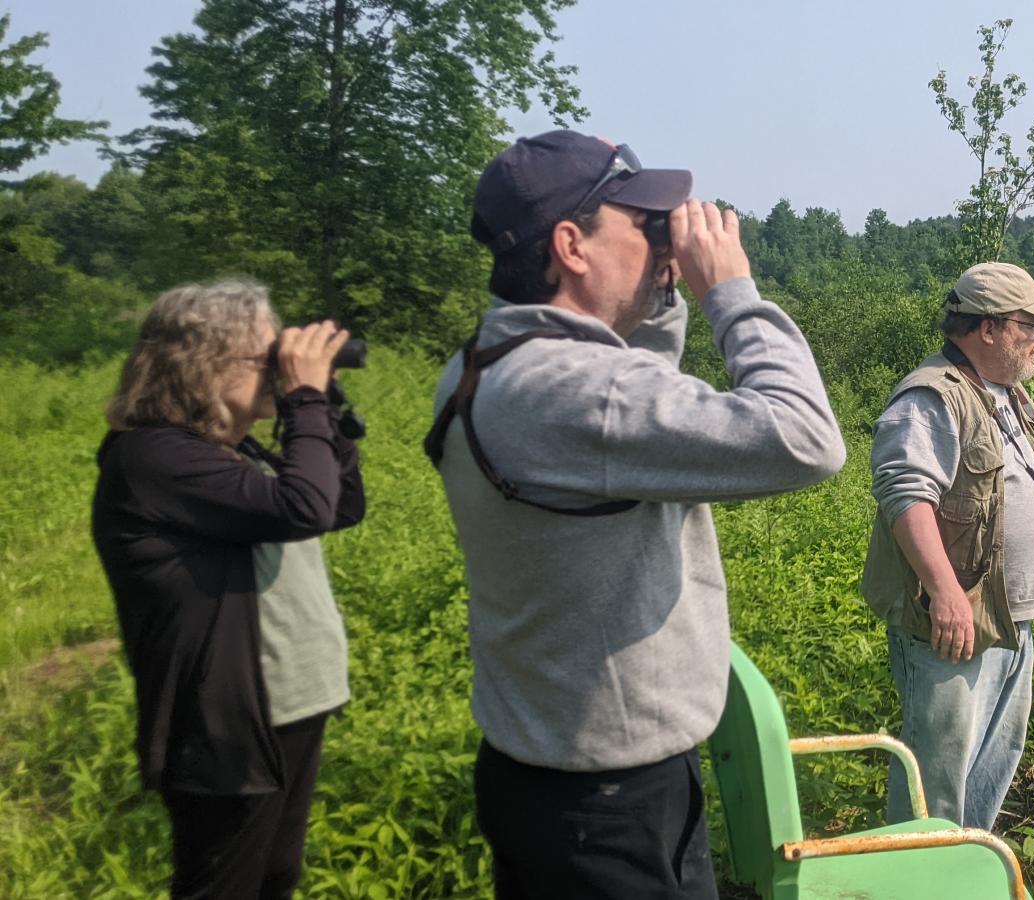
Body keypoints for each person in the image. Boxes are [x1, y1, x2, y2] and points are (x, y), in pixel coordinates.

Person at [428, 129, 845, 899]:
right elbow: (805, 439)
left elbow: (638, 389)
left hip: (550, 773)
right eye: (640, 223)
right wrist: (730, 293)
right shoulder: (582, 394)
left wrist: (656, 287)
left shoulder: (487, 363)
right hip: (610, 801)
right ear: (571, 244)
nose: (665, 240)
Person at [91, 280, 364, 899]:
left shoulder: (232, 451)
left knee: (274, 877)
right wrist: (302, 404)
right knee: (223, 887)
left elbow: (340, 505)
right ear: (204, 366)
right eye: (265, 358)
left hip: (289, 707)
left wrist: (324, 405)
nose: (279, 370)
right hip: (227, 723)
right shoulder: (154, 459)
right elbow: (304, 509)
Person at [860, 261, 1034, 830]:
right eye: (1029, 325)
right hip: (954, 621)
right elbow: (906, 495)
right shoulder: (932, 396)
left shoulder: (1008, 394)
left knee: (989, 767)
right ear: (987, 328)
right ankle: (914, 884)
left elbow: (1030, 482)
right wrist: (945, 591)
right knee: (938, 775)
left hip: (1010, 616)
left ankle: (964, 873)